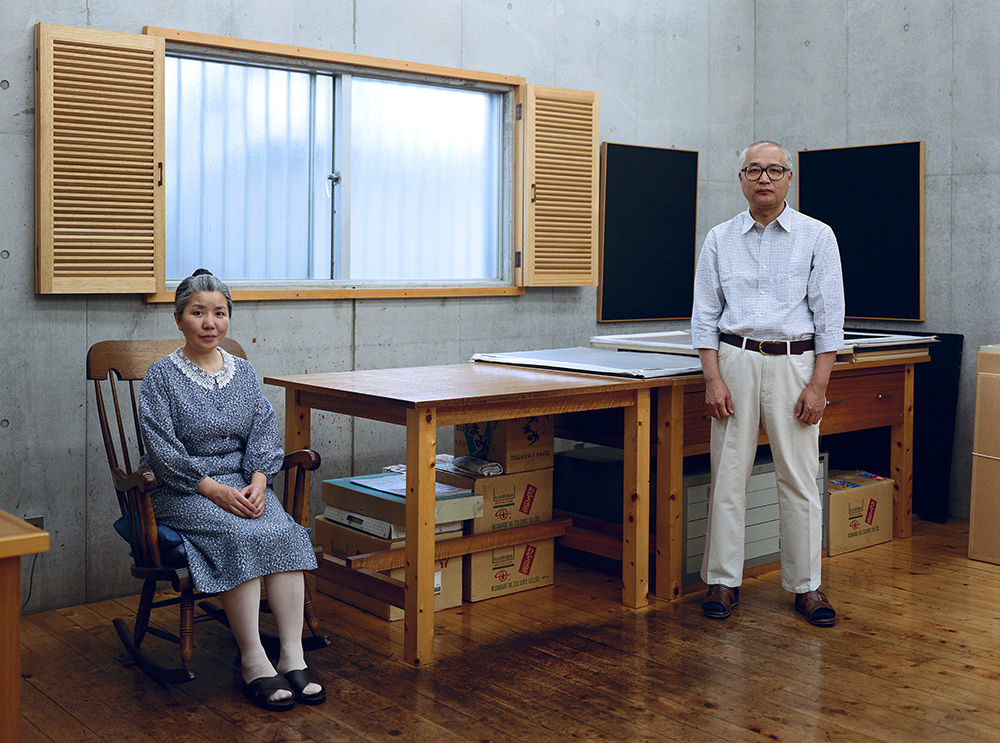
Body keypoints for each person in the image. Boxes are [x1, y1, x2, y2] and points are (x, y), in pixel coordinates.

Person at [139, 268, 325, 710]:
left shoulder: (242, 371)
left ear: (228, 318)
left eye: (219, 313)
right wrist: (212, 490)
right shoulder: (161, 377)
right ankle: (253, 660)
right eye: (198, 312)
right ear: (178, 318)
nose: (210, 322)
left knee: (280, 531)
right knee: (241, 534)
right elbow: (162, 452)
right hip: (183, 488)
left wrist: (260, 480)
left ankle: (293, 654)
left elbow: (263, 432)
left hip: (244, 484)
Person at [690, 141, 845, 627]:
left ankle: (807, 587)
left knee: (798, 478)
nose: (764, 178)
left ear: (788, 178)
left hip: (794, 364)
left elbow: (829, 318)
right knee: (728, 476)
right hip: (734, 361)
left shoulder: (817, 236)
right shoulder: (719, 238)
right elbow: (704, 316)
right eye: (754, 170)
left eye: (774, 170)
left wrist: (818, 386)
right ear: (740, 178)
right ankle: (722, 581)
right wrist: (712, 377)